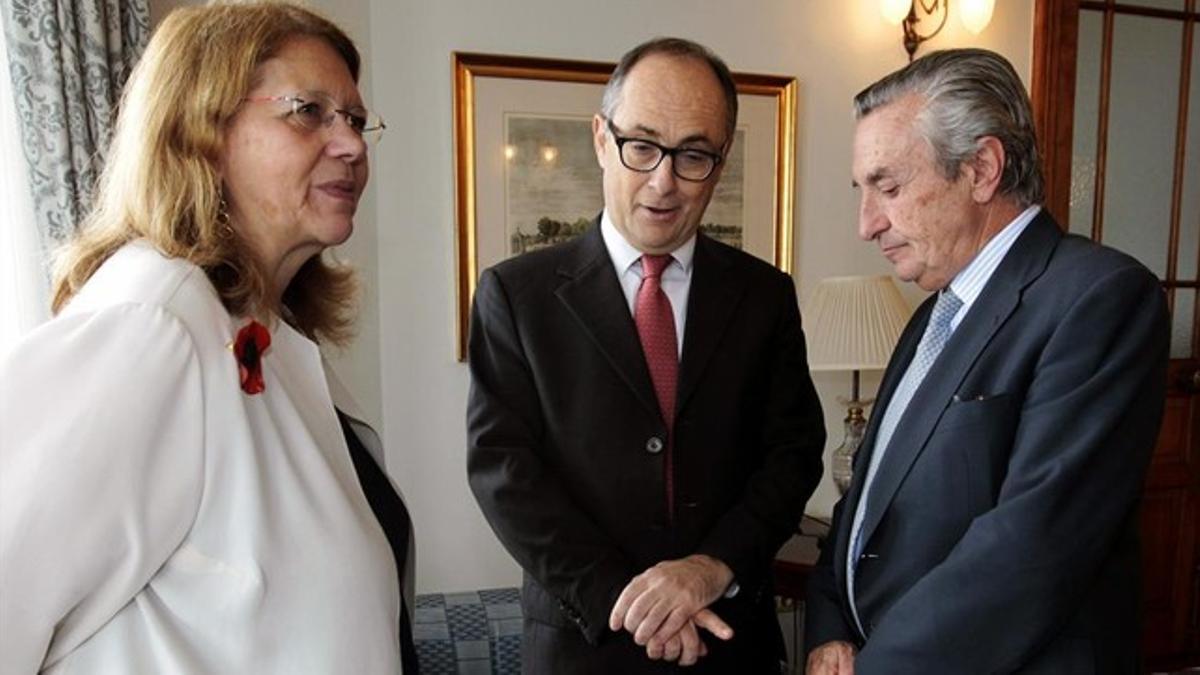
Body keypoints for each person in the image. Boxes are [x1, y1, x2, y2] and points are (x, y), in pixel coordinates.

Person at [0, 3, 418, 673]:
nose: (352, 145)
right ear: (202, 128)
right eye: (308, 111)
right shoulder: (151, 323)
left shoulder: (268, 335)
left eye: (357, 120)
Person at [467, 37, 826, 674]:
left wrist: (711, 568)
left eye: (693, 155)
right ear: (602, 139)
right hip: (584, 647)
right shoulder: (515, 295)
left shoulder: (766, 295)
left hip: (730, 643)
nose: (664, 181)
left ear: (721, 160)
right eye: (642, 146)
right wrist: (627, 602)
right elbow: (506, 476)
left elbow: (792, 455)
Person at [804, 48, 1169, 674]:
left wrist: (875, 668)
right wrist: (828, 630)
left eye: (888, 187)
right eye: (863, 191)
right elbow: (864, 504)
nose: (867, 224)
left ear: (981, 168)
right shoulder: (931, 311)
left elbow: (1033, 547)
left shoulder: (1098, 297)